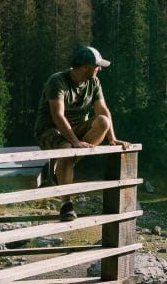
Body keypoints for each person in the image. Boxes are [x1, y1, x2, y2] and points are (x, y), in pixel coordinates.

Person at [34, 46, 131, 221]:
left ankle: (57, 173)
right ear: (85, 67)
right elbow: (57, 116)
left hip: (76, 129)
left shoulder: (94, 82)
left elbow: (103, 110)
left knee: (103, 121)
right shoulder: (57, 81)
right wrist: (75, 143)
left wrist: (113, 139)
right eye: (97, 66)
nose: (100, 69)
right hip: (49, 130)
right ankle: (66, 205)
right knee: (67, 147)